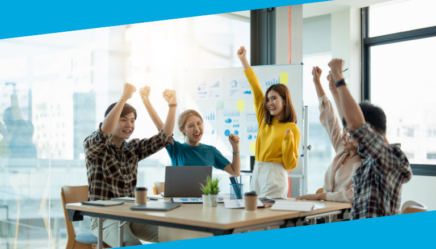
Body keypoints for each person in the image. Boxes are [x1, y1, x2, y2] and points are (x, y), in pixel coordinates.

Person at [84, 83, 177, 247]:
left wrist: (172, 106)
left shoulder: (133, 148)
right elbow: (104, 133)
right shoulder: (94, 147)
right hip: (104, 218)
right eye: (123, 120)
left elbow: (164, 137)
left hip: (131, 215)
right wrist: (124, 98)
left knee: (174, 234)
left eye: (132, 121)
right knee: (131, 244)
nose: (129, 125)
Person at [327, 58, 412, 219]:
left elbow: (355, 124)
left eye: (354, 133)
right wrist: (333, 89)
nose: (350, 136)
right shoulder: (370, 158)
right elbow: (349, 122)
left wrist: (339, 78)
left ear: (370, 129)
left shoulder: (391, 157)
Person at [237, 46, 300, 197]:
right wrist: (244, 60)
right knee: (254, 213)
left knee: (269, 216)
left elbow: (290, 164)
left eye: (274, 98)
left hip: (275, 173)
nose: (270, 103)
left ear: (284, 101)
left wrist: (287, 140)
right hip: (257, 170)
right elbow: (255, 87)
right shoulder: (264, 120)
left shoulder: (292, 129)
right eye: (268, 99)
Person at [296, 67, 363, 203]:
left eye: (348, 134)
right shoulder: (342, 149)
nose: (343, 136)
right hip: (325, 212)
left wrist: (320, 196)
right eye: (344, 131)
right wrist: (317, 82)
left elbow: (351, 196)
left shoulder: (363, 164)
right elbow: (329, 117)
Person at [140, 86, 241, 176]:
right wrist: (146, 101)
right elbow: (161, 128)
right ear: (182, 130)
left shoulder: (211, 151)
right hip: (179, 196)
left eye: (199, 123)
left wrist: (235, 148)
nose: (197, 129)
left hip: (204, 197)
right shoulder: (176, 149)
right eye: (191, 126)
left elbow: (235, 172)